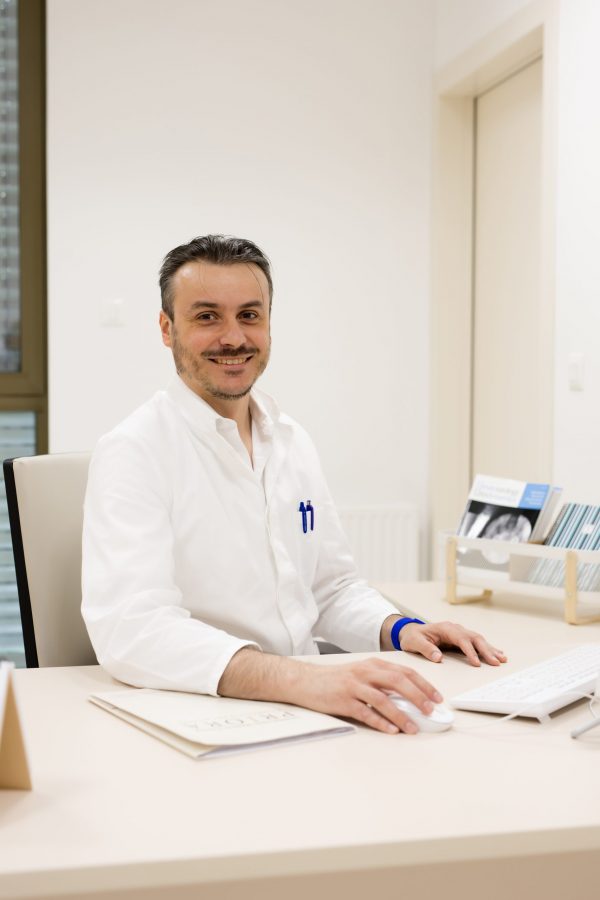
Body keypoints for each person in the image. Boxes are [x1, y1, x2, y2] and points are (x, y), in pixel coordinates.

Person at [82, 234, 506, 736]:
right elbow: (133, 630)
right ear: (166, 328)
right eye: (206, 316)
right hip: (203, 714)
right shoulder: (135, 450)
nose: (233, 337)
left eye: (249, 314)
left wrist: (402, 629)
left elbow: (328, 590)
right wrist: (300, 680)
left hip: (306, 704)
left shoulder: (291, 440)